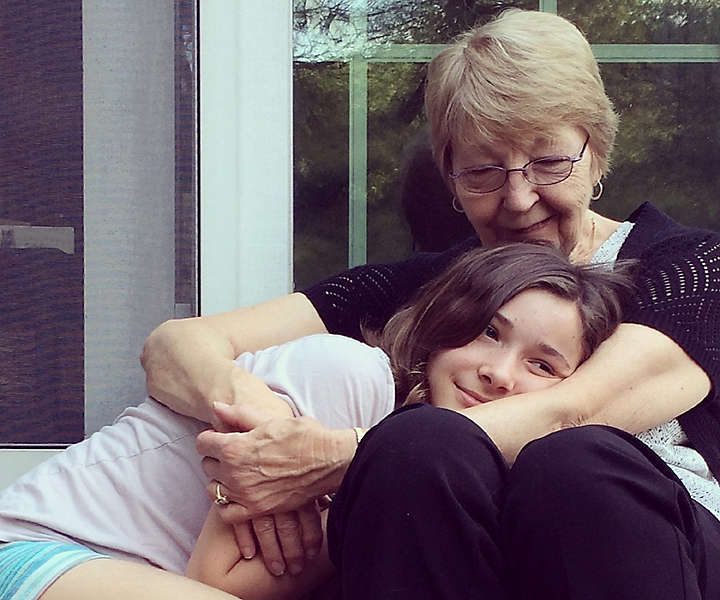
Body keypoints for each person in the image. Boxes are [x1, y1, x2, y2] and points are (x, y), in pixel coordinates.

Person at [141, 8, 720, 599]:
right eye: (483, 171)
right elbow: (176, 346)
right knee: (421, 445)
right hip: (472, 558)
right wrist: (263, 423)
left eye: (548, 163)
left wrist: (341, 455)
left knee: (571, 464)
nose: (518, 199)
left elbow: (576, 411)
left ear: (595, 153)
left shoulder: (690, 267)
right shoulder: (442, 284)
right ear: (450, 177)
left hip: (653, 546)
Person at [0, 244, 629, 600]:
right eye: (488, 332)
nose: (499, 372)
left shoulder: (462, 469)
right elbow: (219, 582)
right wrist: (366, 498)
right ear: (444, 327)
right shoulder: (350, 375)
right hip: (41, 554)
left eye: (542, 366)